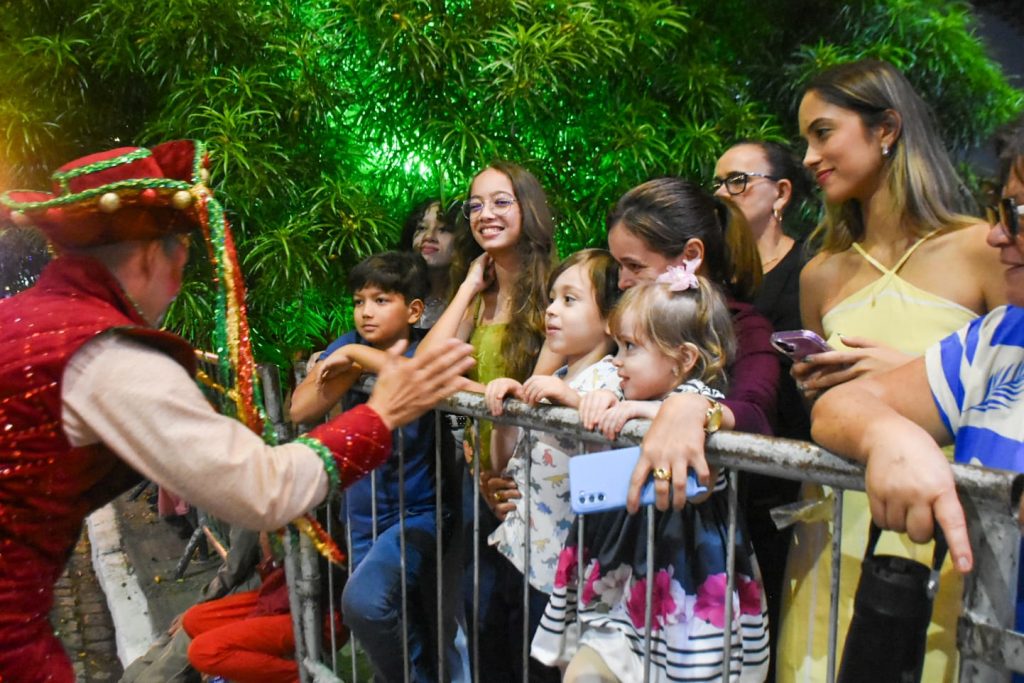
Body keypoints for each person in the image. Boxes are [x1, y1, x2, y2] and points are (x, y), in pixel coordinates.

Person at [0, 141, 474, 683]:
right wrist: (379, 415)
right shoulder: (104, 352)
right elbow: (263, 489)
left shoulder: (26, 320)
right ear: (157, 255)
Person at [776, 60, 1007, 683]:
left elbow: (1013, 382)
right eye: (805, 140)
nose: (809, 156)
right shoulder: (819, 272)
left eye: (823, 132)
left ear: (886, 129)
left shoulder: (983, 247)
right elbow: (818, 409)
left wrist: (907, 372)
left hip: (947, 531)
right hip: (833, 524)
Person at [533, 263, 769, 682]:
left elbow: (701, 482)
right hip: (622, 572)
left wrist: (644, 413)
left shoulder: (698, 403)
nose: (617, 361)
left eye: (630, 347)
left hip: (683, 574)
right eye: (618, 346)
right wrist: (581, 402)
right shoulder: (623, 391)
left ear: (684, 360)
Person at [290, 251, 468, 682]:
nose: (366, 312)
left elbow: (415, 373)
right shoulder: (348, 342)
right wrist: (353, 359)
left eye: (381, 300)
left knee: (366, 604)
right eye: (359, 301)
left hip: (417, 514)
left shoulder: (420, 347)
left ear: (414, 310)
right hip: (361, 516)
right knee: (397, 623)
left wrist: (356, 356)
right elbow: (300, 408)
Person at [477, 249, 622, 682]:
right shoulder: (556, 377)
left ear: (611, 319)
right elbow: (505, 463)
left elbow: (613, 460)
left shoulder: (612, 381)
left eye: (569, 300)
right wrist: (506, 416)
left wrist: (576, 404)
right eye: (552, 298)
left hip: (560, 575)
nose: (552, 310)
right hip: (519, 551)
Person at [712, 140, 815, 675]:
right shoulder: (713, 278)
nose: (723, 192)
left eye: (738, 180)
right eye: (717, 183)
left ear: (781, 193)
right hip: (724, 475)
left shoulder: (812, 268)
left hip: (787, 472)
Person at [416, 161, 559, 471]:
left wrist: (462, 387)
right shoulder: (478, 298)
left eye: (501, 202)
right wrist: (468, 286)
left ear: (529, 209)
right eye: (475, 206)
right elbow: (423, 366)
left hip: (531, 470)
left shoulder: (555, 293)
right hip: (479, 468)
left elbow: (534, 400)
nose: (485, 214)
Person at [398, 199, 462, 328]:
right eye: (421, 228)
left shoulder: (474, 300)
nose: (429, 236)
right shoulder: (394, 293)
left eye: (443, 229)